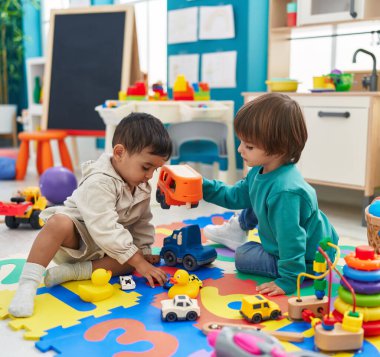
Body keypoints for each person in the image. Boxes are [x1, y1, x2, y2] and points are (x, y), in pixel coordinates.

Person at [9, 112, 172, 317]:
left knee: (131, 263)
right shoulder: (100, 181)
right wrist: (138, 260)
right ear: (120, 153)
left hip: (105, 252)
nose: (149, 176)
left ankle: (71, 273)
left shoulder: (141, 185)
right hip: (77, 241)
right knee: (58, 222)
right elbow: (103, 226)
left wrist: (144, 251)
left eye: (155, 170)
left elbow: (142, 221)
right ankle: (27, 285)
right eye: (146, 167)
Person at [202, 93, 339, 296]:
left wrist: (289, 280)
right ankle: (238, 229)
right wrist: (202, 187)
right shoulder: (259, 170)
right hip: (296, 241)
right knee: (255, 197)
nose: (240, 150)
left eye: (249, 146)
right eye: (241, 142)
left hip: (311, 259)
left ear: (279, 148)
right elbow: (234, 196)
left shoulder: (285, 192)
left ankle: (295, 271)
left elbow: (292, 239)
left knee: (242, 255)